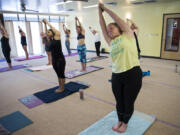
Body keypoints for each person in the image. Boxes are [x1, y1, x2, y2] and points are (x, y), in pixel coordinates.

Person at [99, 3, 142, 133]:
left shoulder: (128, 34)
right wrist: (99, 13)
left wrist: (105, 9)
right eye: (108, 29)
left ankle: (125, 122)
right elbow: (102, 27)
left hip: (132, 73)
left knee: (128, 101)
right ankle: (119, 120)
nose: (109, 30)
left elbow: (117, 19)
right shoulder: (110, 41)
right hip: (116, 75)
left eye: (111, 27)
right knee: (119, 101)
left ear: (120, 29)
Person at [42, 19, 66, 93]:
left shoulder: (57, 37)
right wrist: (45, 25)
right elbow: (46, 33)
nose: (47, 33)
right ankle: (60, 86)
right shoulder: (50, 40)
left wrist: (47, 23)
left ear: (53, 33)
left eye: (49, 32)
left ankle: (62, 88)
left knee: (61, 73)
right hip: (54, 59)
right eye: (48, 32)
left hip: (60, 59)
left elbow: (54, 29)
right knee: (58, 74)